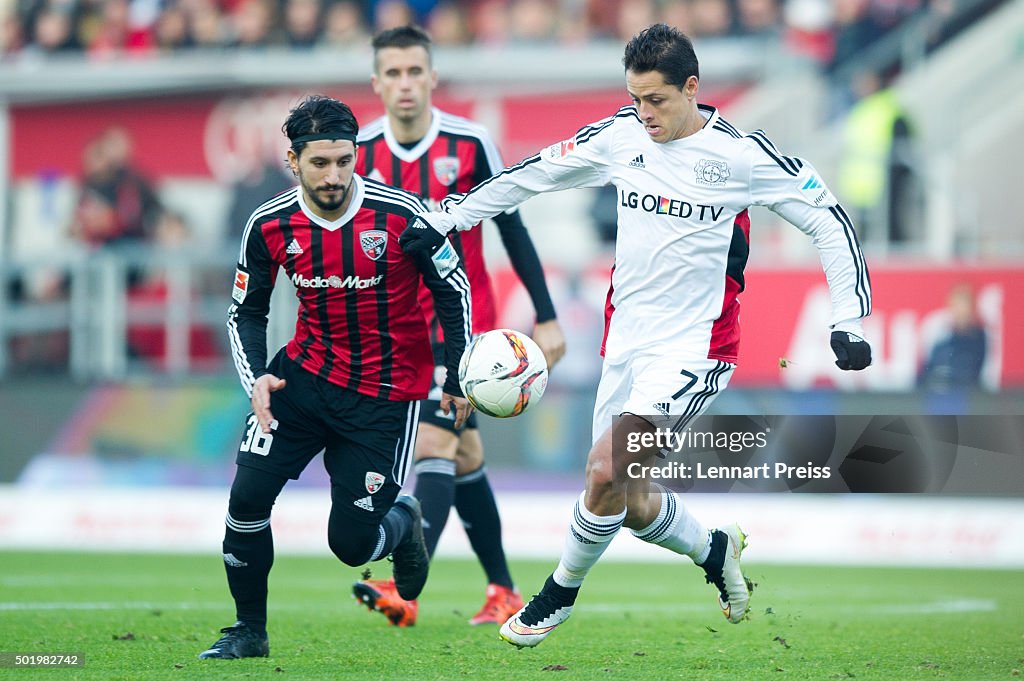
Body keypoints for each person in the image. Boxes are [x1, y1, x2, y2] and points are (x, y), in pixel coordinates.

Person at [400, 23, 873, 648]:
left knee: (605, 469)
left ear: (693, 88)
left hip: (694, 350)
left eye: (657, 99)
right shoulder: (619, 138)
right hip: (623, 343)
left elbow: (829, 220)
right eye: (635, 98)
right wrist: (447, 219)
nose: (644, 113)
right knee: (630, 500)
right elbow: (531, 175)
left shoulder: (742, 157)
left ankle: (557, 595)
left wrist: (848, 318)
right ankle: (715, 550)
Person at [198, 94, 473, 659]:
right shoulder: (268, 223)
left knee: (350, 546)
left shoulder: (403, 217)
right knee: (247, 497)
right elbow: (245, 312)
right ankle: (249, 631)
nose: (334, 175)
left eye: (344, 161)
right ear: (293, 160)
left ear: (356, 156)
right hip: (301, 381)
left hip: (384, 397)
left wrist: (457, 376)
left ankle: (403, 518)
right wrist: (255, 379)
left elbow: (454, 289)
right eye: (319, 163)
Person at [351, 25, 566, 628]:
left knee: (436, 444)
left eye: (414, 71)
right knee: (464, 456)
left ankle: (404, 588)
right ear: (377, 83)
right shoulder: (358, 152)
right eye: (392, 73)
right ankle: (502, 590)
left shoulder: (469, 143)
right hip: (395, 331)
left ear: (432, 77)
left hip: (462, 325)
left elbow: (512, 229)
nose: (404, 84)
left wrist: (546, 314)